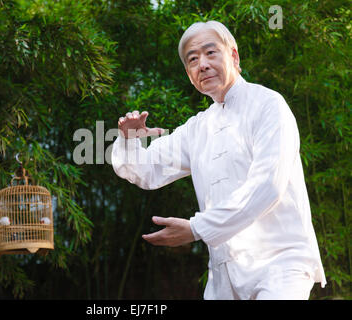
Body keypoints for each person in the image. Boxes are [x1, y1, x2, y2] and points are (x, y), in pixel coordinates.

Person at [111, 20, 326, 300]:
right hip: (223, 272)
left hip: (281, 263)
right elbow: (147, 170)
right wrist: (128, 139)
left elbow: (267, 186)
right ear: (189, 75)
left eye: (211, 53)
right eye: (193, 59)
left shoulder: (269, 105)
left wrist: (196, 228)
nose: (202, 64)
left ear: (234, 57)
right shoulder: (197, 128)